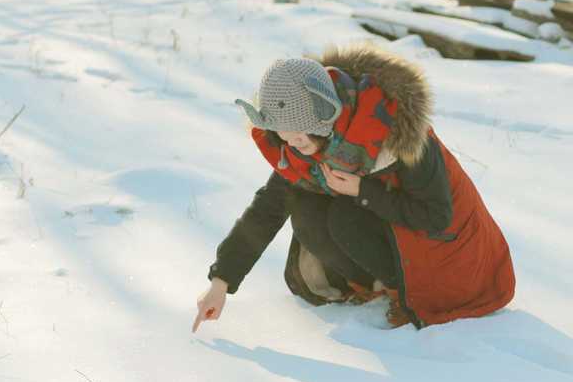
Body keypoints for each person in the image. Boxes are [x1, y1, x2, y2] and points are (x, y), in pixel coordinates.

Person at [192, 44, 515, 331]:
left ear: (322, 115)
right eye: (284, 136)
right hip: (392, 228)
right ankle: (370, 285)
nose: (293, 143)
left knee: (344, 218)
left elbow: (437, 217)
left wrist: (363, 191)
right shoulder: (301, 144)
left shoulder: (397, 133)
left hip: (452, 258)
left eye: (300, 134)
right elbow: (267, 208)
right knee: (304, 206)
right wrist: (221, 282)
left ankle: (400, 293)